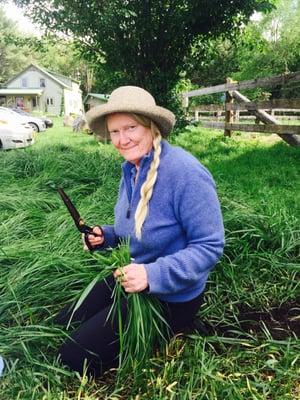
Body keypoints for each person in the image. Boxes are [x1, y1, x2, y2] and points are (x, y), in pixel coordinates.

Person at [56, 86, 225, 377]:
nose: (122, 140)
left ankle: (181, 324)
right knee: (64, 320)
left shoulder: (185, 172)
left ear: (150, 126)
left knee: (72, 357)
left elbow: (210, 246)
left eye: (130, 128)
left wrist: (152, 275)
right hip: (132, 275)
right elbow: (135, 230)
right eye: (114, 132)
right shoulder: (131, 169)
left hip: (172, 296)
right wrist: (105, 236)